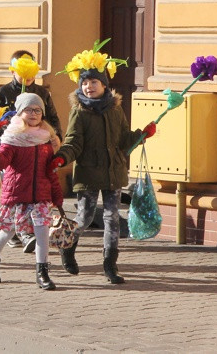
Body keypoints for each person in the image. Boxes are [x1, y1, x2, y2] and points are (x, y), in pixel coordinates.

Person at [50, 47, 156, 284]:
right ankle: (68, 247)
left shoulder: (115, 109)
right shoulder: (79, 111)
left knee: (112, 217)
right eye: (85, 83)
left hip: (113, 171)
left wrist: (142, 134)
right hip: (88, 172)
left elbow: (123, 139)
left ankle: (110, 264)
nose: (89, 87)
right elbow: (73, 142)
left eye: (93, 82)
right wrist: (62, 158)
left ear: (104, 85)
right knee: (85, 217)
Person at [0, 93, 64, 290]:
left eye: (37, 110)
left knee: (43, 233)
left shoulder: (46, 139)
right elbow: (0, 163)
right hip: (17, 193)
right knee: (7, 231)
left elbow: (50, 171)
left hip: (41, 194)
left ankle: (42, 272)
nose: (33, 114)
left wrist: (57, 196)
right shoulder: (12, 137)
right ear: (19, 112)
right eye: (28, 109)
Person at [0, 50, 62, 252]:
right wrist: (10, 130)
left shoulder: (42, 93)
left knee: (35, 200)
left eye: (31, 72)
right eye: (22, 71)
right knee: (18, 195)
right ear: (13, 70)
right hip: (13, 151)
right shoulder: (3, 92)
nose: (27, 77)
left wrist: (57, 139)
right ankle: (20, 234)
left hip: (39, 148)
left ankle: (29, 240)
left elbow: (52, 118)